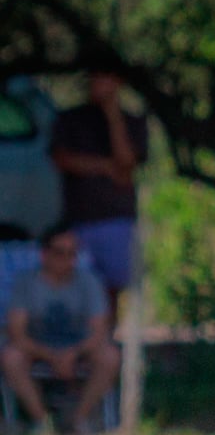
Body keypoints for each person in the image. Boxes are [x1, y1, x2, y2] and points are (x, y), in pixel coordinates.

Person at [2, 226, 119, 435]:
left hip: (79, 348)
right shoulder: (26, 284)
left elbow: (99, 330)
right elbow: (16, 333)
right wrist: (51, 356)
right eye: (60, 252)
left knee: (109, 357)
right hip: (38, 348)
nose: (66, 259)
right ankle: (42, 424)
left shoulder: (89, 281)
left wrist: (72, 354)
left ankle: (79, 421)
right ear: (44, 254)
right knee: (11, 357)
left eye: (72, 253)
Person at [50, 73, 149, 315]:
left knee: (112, 289)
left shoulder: (132, 121)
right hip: (78, 220)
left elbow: (126, 164)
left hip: (117, 218)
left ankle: (105, 345)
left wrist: (113, 114)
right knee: (77, 290)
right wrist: (105, 166)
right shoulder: (70, 119)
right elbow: (62, 159)